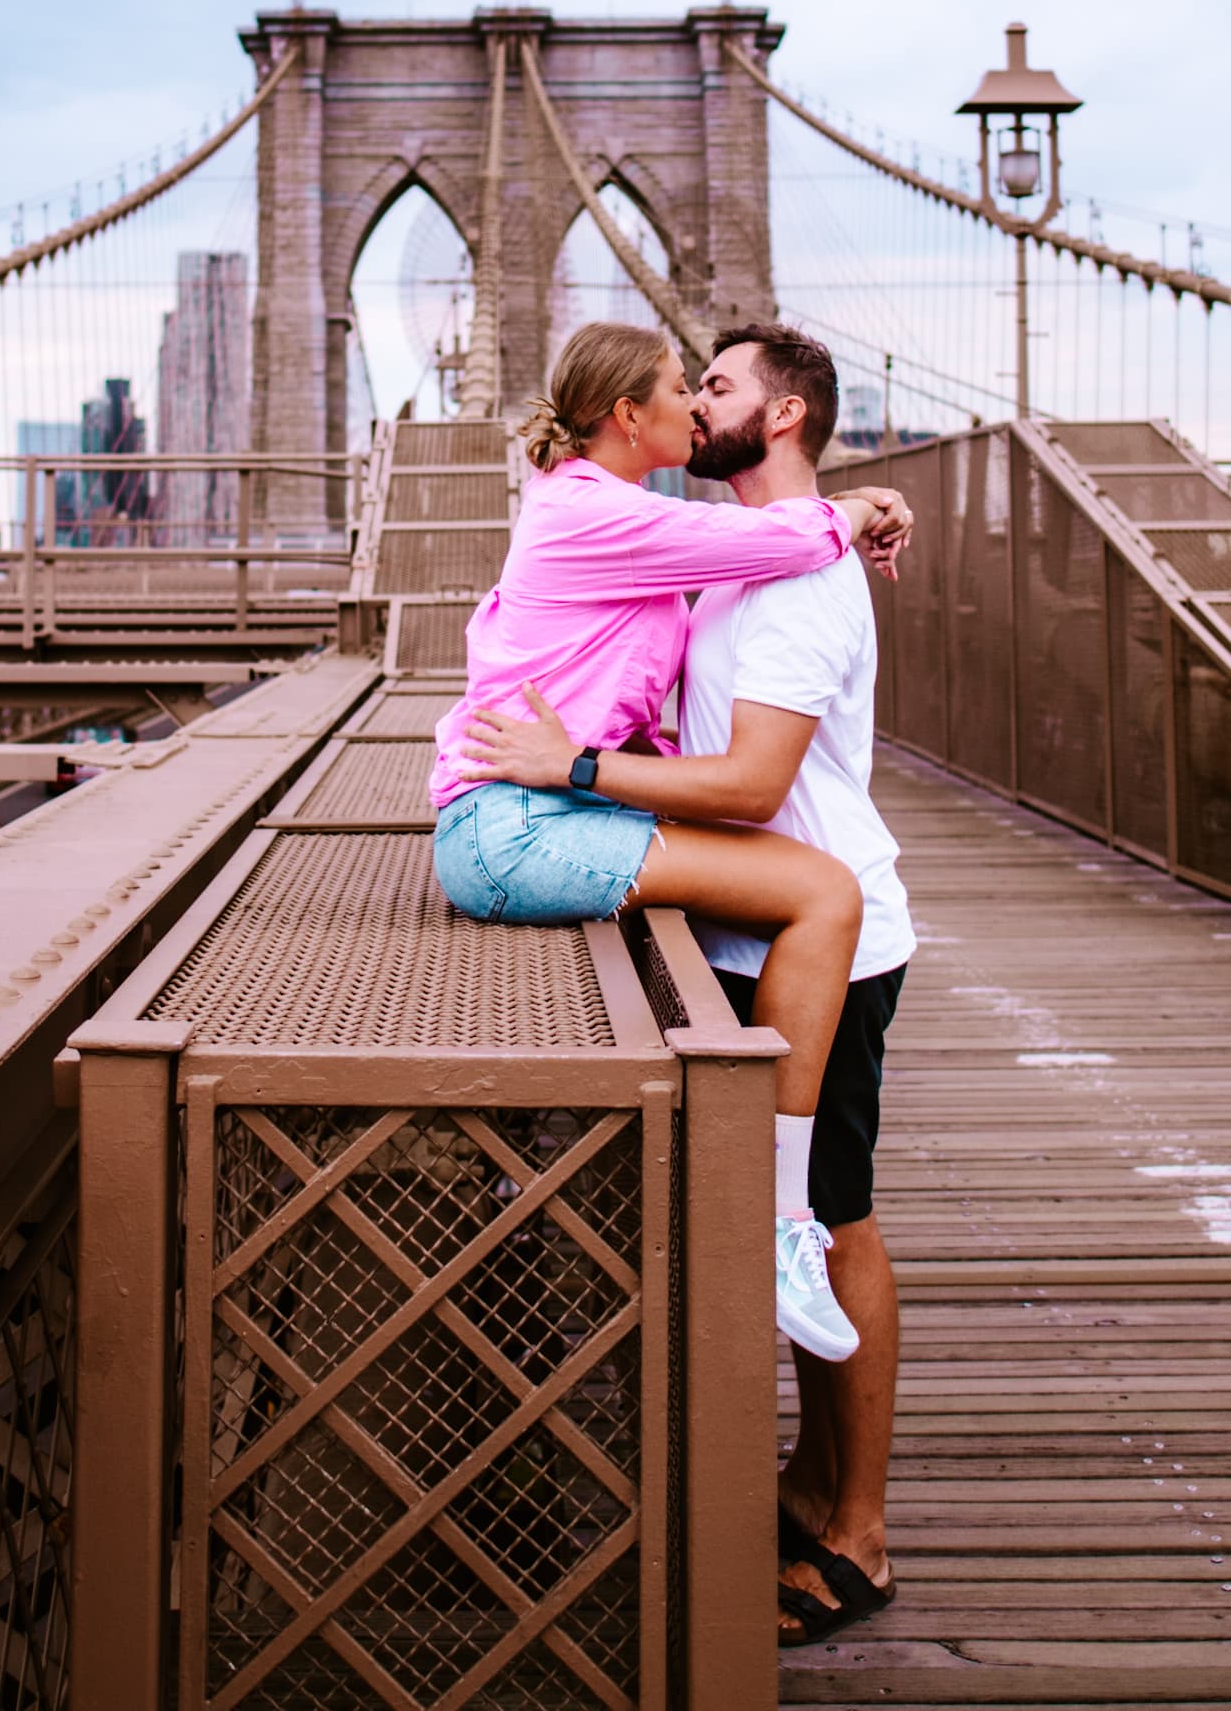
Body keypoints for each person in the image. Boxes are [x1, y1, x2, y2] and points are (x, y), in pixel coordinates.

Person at [461, 320, 914, 1648]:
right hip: (740, 930)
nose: (693, 399)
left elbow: (750, 790)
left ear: (779, 417)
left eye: (714, 384)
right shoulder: (730, 550)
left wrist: (573, 776)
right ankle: (796, 1484)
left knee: (833, 1222)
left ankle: (856, 1534)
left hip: (818, 935)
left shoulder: (792, 579)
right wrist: (857, 503)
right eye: (681, 382)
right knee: (789, 1222)